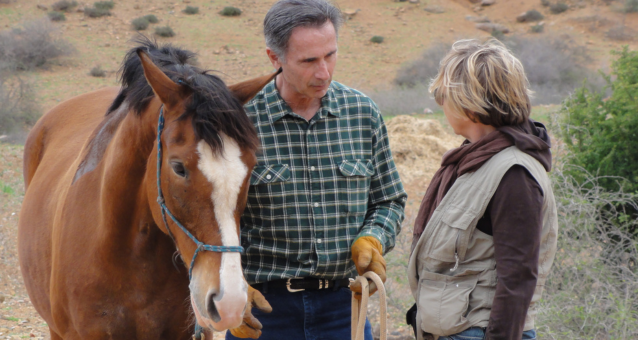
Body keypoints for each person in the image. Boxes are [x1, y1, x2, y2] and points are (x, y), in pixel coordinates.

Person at [225, 1, 407, 339]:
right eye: (309, 61)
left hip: (343, 308)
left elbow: (389, 200)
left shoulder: (362, 113)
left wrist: (373, 238)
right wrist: (231, 283)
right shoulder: (238, 122)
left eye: (330, 55)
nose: (323, 72)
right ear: (274, 58)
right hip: (263, 312)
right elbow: (209, 218)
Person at [406, 39, 558, 340]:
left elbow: (517, 278)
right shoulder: (475, 160)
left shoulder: (514, 173)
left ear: (469, 105)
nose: (440, 103)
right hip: (460, 329)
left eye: (446, 96)